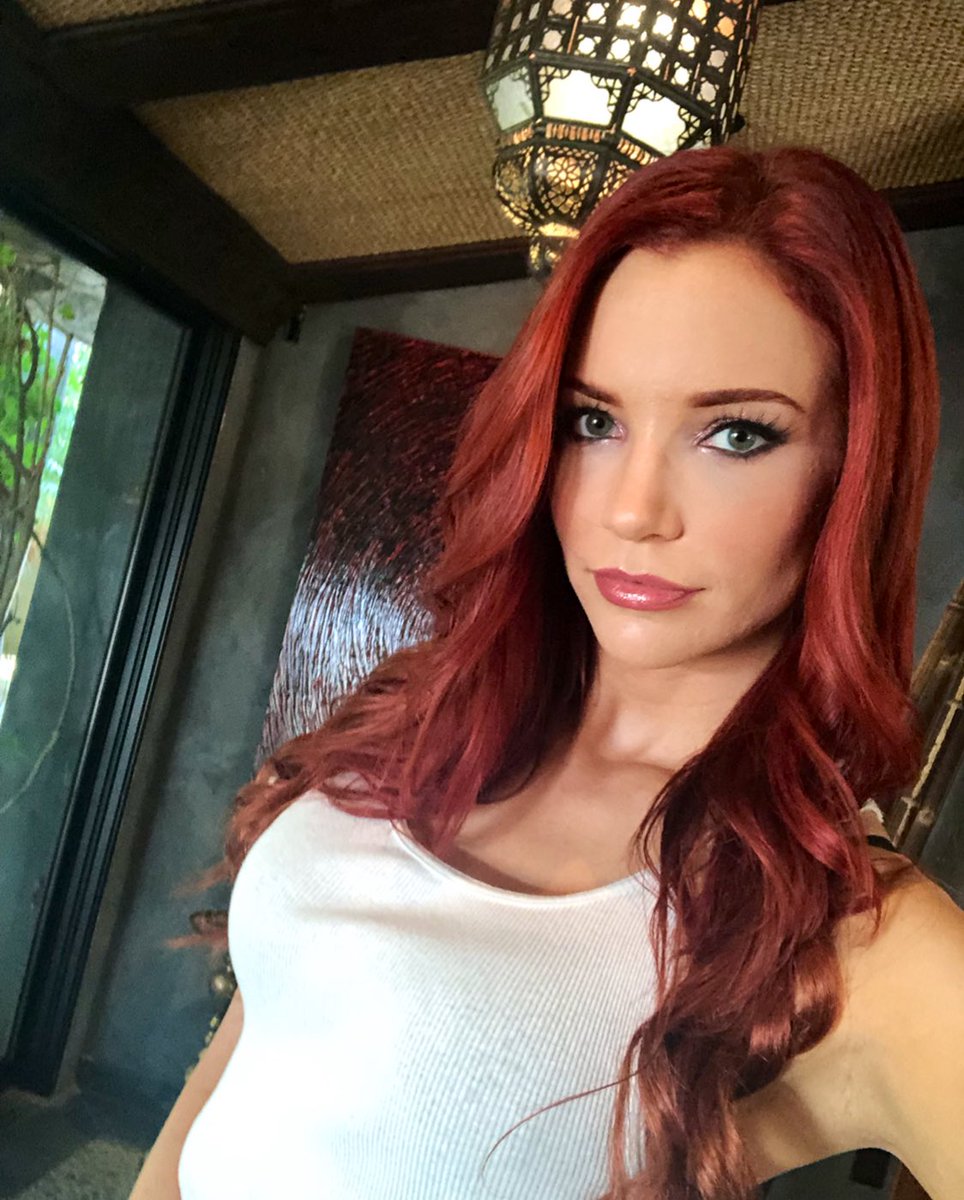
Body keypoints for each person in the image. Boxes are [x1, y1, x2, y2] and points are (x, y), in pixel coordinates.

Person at [131, 144, 964, 1200]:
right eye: (592, 421)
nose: (632, 509)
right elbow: (260, 1043)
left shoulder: (857, 940)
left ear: (854, 471)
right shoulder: (425, 711)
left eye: (736, 434)